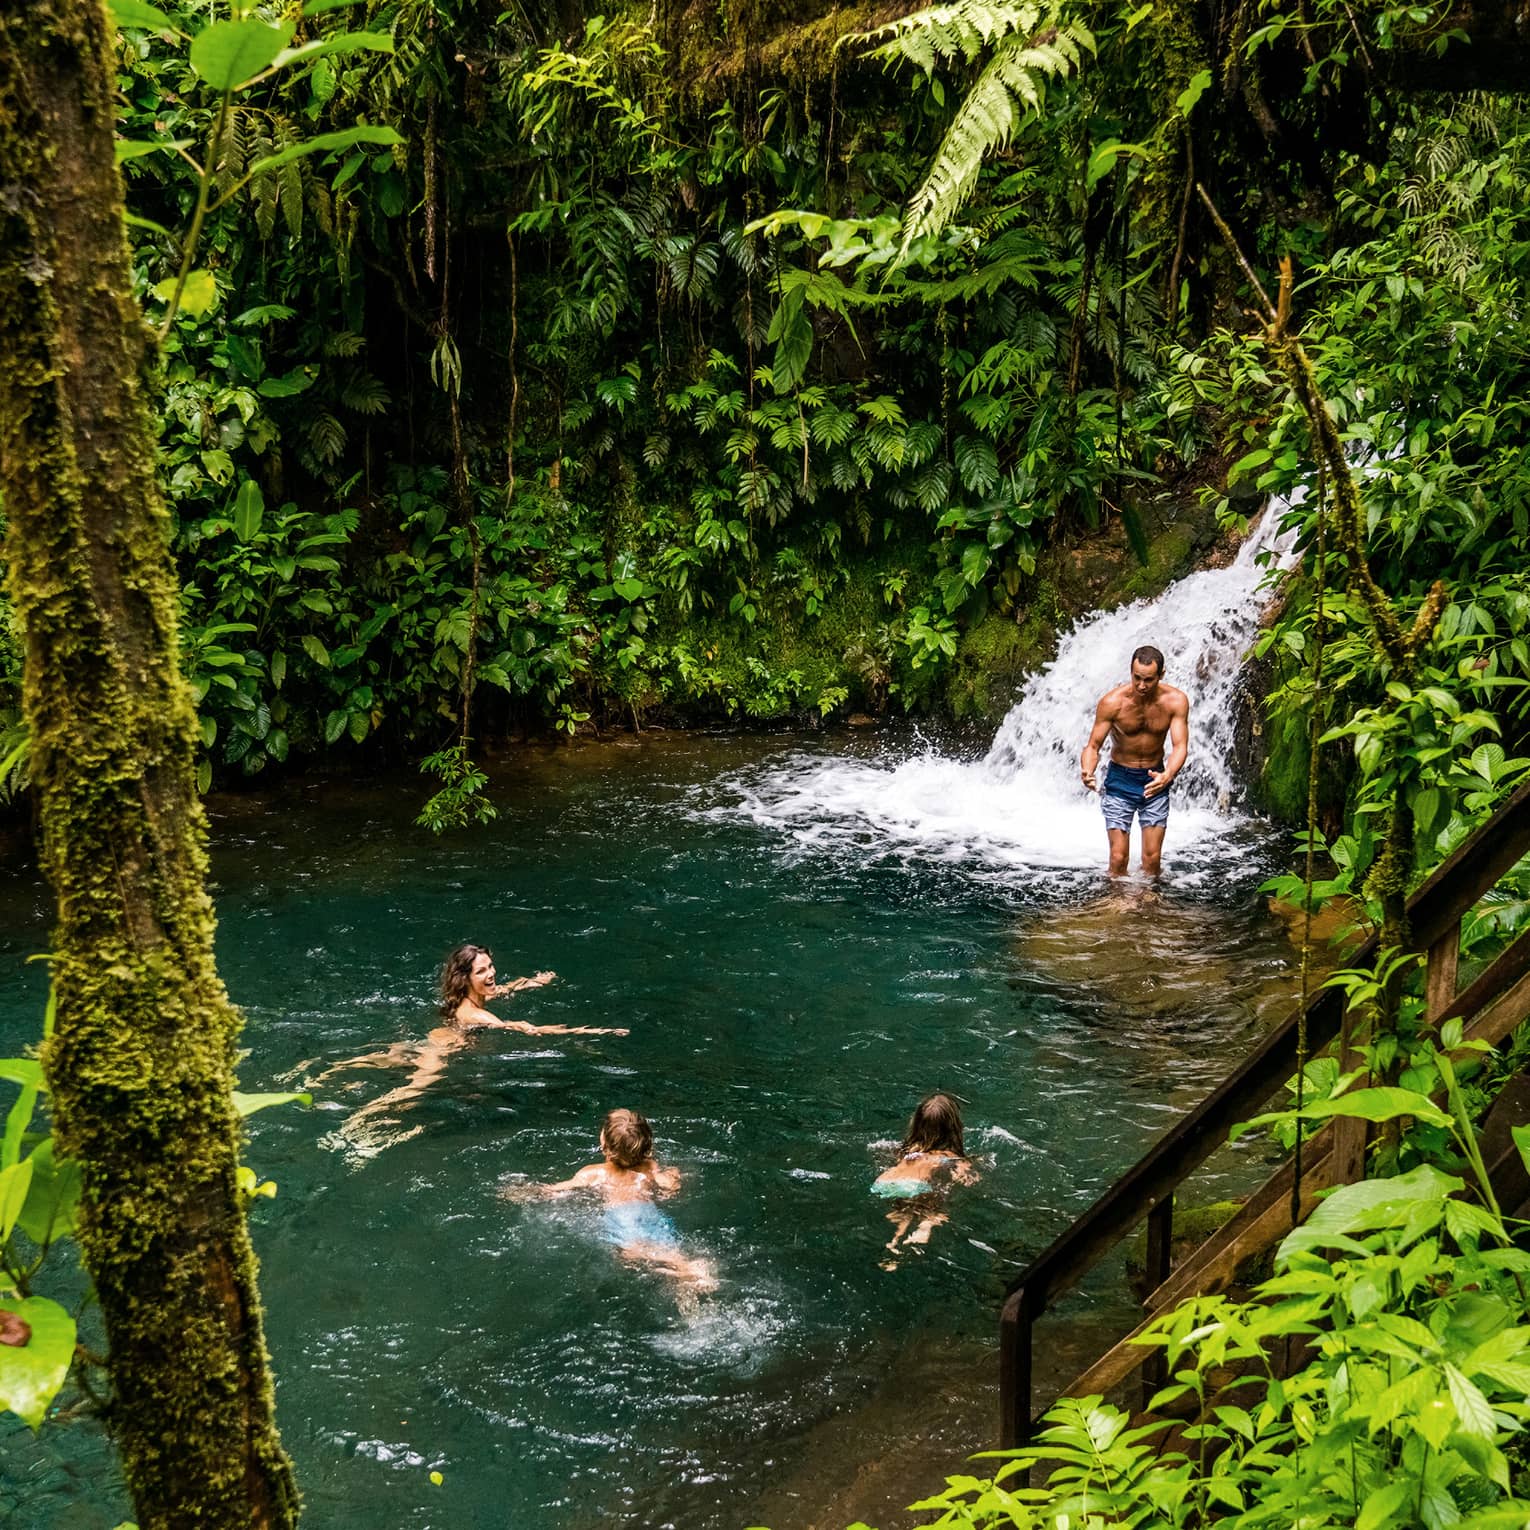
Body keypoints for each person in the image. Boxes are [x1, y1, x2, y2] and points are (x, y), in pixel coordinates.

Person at [312, 944, 626, 1151]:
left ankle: (322, 1075)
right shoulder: (477, 1014)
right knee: (413, 1091)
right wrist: (598, 1031)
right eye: (481, 971)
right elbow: (531, 1030)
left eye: (490, 966)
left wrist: (533, 982)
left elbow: (501, 989)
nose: (490, 974)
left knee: (382, 1059)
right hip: (441, 1052)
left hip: (430, 1039)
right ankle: (356, 1124)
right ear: (466, 979)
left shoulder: (475, 998)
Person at [506, 1108, 717, 1294]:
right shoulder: (650, 1167)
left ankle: (684, 1271)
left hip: (621, 1217)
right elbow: (669, 1187)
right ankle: (689, 1275)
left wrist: (525, 1191)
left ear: (604, 1144)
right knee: (668, 1250)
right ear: (647, 1144)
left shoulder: (593, 1173)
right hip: (648, 1212)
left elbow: (555, 1191)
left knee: (632, 1254)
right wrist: (674, 1174)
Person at [1079, 644, 1189, 878]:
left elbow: (1180, 746)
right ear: (1130, 671)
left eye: (1149, 680)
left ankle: (1149, 904)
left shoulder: (1175, 701)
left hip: (1155, 781)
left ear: (1161, 675)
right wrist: (1088, 769)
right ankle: (1117, 904)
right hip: (1120, 780)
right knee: (1118, 858)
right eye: (1136, 678)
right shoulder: (1112, 703)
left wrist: (1168, 774)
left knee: (1152, 860)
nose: (1141, 685)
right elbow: (1093, 746)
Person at [873, 1091, 979, 1268]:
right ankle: (926, 1227)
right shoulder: (951, 1157)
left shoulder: (908, 1150)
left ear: (916, 1124)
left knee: (904, 1212)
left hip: (887, 1181)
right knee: (935, 1207)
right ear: (955, 1127)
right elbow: (967, 1179)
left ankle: (895, 1239)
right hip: (918, 1185)